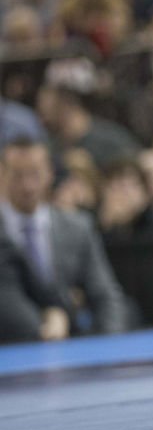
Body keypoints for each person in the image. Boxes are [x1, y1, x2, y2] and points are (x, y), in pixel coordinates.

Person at [0, 138, 131, 336]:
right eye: (17, 175)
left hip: (72, 346)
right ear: (2, 175)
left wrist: (109, 346)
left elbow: (105, 295)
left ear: (50, 173)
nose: (27, 186)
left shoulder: (77, 227)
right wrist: (45, 326)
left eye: (35, 174)